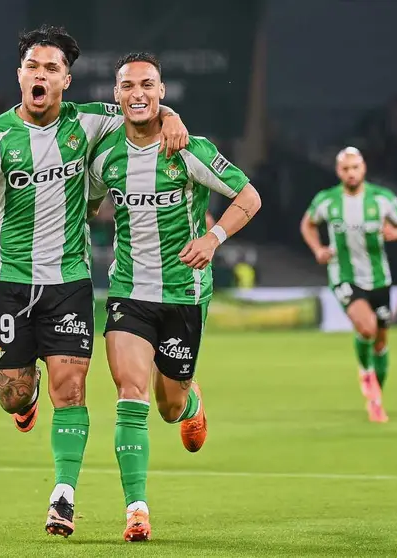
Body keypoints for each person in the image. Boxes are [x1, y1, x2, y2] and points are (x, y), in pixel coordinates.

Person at [0, 25, 188, 538]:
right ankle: (25, 402)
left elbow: (138, 110)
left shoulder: (89, 122)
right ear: (20, 75)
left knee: (73, 388)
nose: (41, 75)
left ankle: (63, 496)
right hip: (11, 281)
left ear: (67, 79)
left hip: (69, 281)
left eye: (51, 69)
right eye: (33, 67)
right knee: (12, 396)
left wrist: (170, 115)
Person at [88, 52, 262, 542]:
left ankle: (190, 404)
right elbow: (85, 200)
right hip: (128, 291)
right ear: (116, 94)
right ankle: (137, 510)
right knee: (130, 395)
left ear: (161, 92)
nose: (137, 93)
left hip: (185, 293)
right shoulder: (104, 155)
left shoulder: (188, 148)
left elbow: (249, 198)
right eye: (127, 85)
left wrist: (214, 239)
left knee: (168, 405)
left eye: (147, 84)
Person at [299, 147, 397, 423]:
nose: (351, 173)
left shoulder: (382, 198)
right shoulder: (327, 200)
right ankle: (365, 371)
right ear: (338, 171)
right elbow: (307, 224)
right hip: (344, 276)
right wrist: (318, 249)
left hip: (379, 279)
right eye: (345, 168)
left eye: (355, 167)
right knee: (366, 327)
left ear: (363, 168)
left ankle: (376, 399)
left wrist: (396, 232)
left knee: (381, 342)